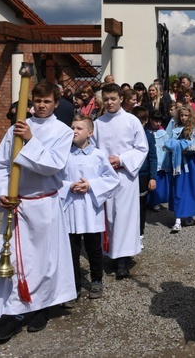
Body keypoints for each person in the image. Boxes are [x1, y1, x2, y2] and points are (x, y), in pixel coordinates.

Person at [0, 81, 75, 342]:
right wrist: (2, 193)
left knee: (44, 262)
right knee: (15, 260)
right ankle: (13, 313)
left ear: (56, 104)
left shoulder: (62, 131)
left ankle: (42, 308)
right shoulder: (15, 128)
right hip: (18, 204)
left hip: (45, 204)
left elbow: (53, 165)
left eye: (47, 101)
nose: (41, 106)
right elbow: (1, 164)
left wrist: (30, 140)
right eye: (37, 101)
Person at [59, 115, 119, 306]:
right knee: (72, 250)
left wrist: (91, 185)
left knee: (93, 248)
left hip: (91, 209)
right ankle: (73, 286)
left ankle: (96, 280)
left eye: (79, 128)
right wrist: (69, 186)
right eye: (72, 127)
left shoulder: (98, 155)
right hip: (70, 209)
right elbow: (54, 179)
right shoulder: (63, 154)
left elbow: (112, 179)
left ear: (90, 133)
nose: (74, 131)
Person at [92, 83, 149, 279]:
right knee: (108, 217)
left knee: (124, 216)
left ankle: (123, 259)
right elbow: (93, 150)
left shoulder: (131, 121)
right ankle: (110, 253)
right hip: (105, 177)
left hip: (125, 176)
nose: (109, 103)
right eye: (106, 99)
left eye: (113, 99)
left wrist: (122, 159)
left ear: (121, 99)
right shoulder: (98, 123)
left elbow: (142, 148)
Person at [164, 105, 195, 232]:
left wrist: (191, 148)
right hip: (179, 165)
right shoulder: (175, 129)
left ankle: (190, 215)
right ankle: (178, 218)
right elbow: (168, 143)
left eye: (186, 115)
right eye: (182, 115)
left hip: (192, 165)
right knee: (178, 189)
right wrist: (176, 146)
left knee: (192, 189)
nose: (184, 118)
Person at [131, 106, 157, 244]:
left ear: (146, 121)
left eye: (141, 121)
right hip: (130, 174)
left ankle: (140, 233)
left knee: (141, 206)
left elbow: (153, 157)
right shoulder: (128, 136)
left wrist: (153, 177)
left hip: (143, 175)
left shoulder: (148, 136)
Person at [148, 110, 170, 212]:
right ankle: (148, 202)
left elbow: (167, 147)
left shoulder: (164, 133)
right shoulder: (147, 132)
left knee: (159, 183)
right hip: (150, 161)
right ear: (151, 120)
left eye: (159, 121)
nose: (158, 123)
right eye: (155, 121)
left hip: (161, 161)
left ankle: (157, 202)